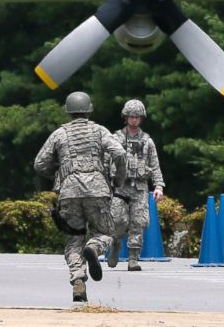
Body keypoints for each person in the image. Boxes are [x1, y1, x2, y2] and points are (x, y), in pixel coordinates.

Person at [35, 91, 126, 303]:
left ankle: (78, 282)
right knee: (105, 232)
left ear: (69, 111)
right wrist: (118, 179)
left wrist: (58, 173)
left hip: (68, 192)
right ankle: (94, 247)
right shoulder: (99, 131)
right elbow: (119, 153)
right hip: (97, 190)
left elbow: (39, 163)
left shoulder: (59, 134)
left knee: (73, 240)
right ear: (89, 110)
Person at [106, 99, 165, 272]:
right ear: (126, 117)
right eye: (131, 117)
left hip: (139, 187)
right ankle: (115, 244)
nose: (134, 120)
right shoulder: (115, 139)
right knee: (117, 220)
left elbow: (155, 166)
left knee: (138, 222)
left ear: (141, 119)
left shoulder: (147, 141)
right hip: (120, 186)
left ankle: (133, 258)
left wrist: (159, 186)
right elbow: (105, 160)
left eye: (137, 117)